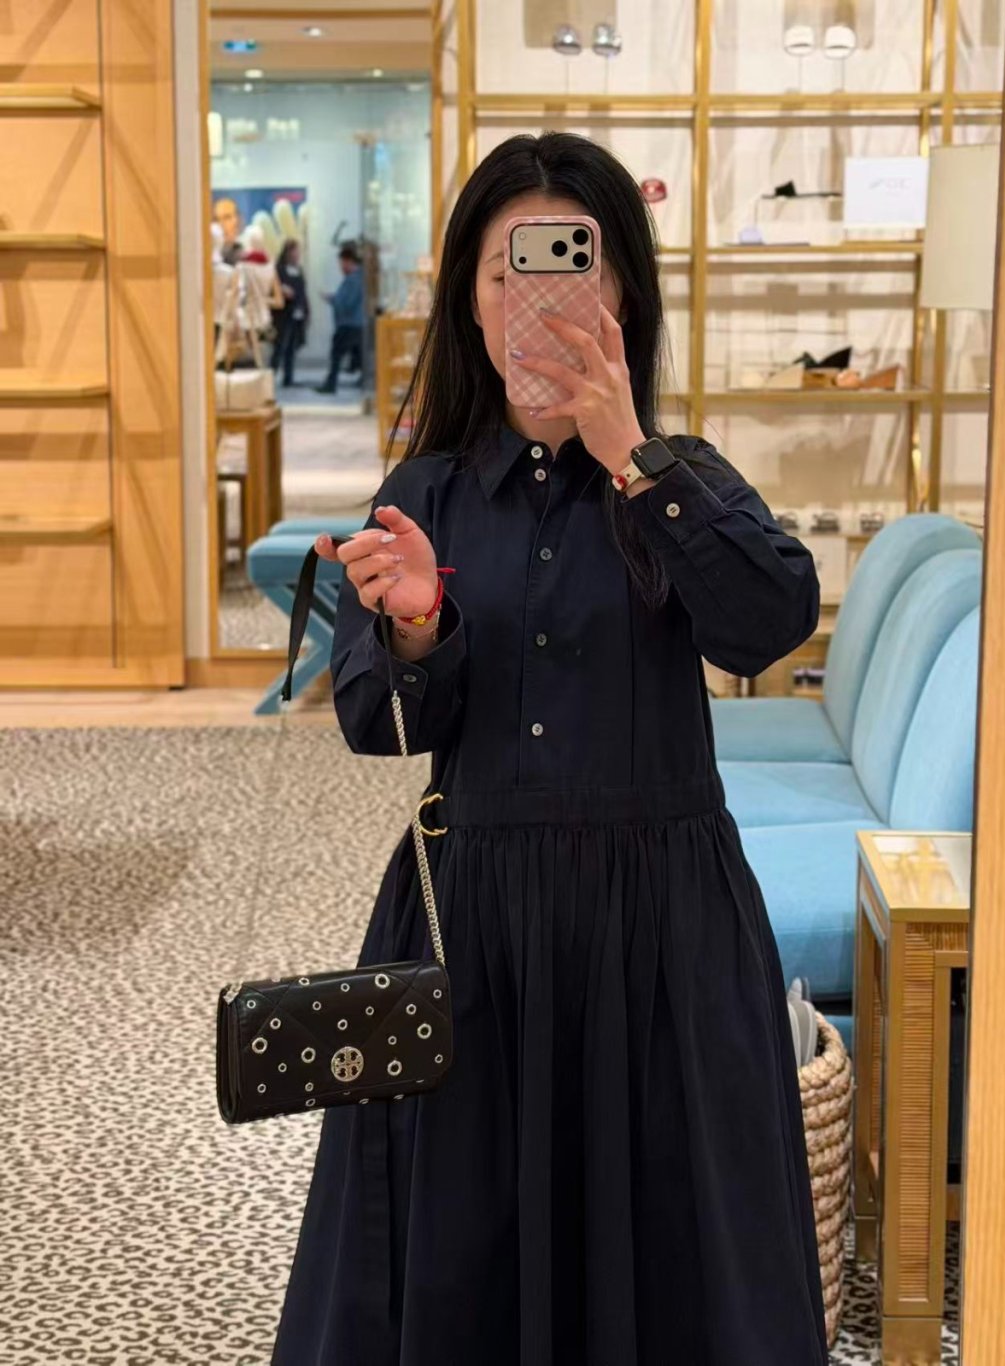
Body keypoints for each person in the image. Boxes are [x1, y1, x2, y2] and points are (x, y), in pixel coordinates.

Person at [272, 132, 829, 1365]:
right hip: (472, 927)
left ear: (621, 294)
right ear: (469, 304)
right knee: (462, 1245)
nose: (535, 304)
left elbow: (768, 620)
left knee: (677, 1250)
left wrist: (634, 456)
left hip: (664, 933)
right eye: (503, 275)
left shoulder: (681, 478)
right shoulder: (425, 490)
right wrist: (417, 625)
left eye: (572, 270)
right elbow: (375, 721)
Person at [315, 245, 364, 392]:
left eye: (342, 263)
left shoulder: (353, 280)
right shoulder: (358, 278)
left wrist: (333, 299)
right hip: (356, 323)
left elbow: (347, 303)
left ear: (348, 261)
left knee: (336, 354)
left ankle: (330, 385)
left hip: (349, 324)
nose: (341, 267)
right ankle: (363, 380)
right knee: (359, 355)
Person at [270, 238, 308, 387]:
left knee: (292, 347)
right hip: (283, 314)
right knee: (280, 346)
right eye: (295, 251)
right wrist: (282, 290)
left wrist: (305, 309)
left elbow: (302, 291)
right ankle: (271, 376)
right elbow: (273, 287)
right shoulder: (279, 269)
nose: (297, 254)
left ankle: (288, 377)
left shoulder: (299, 270)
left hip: (297, 312)